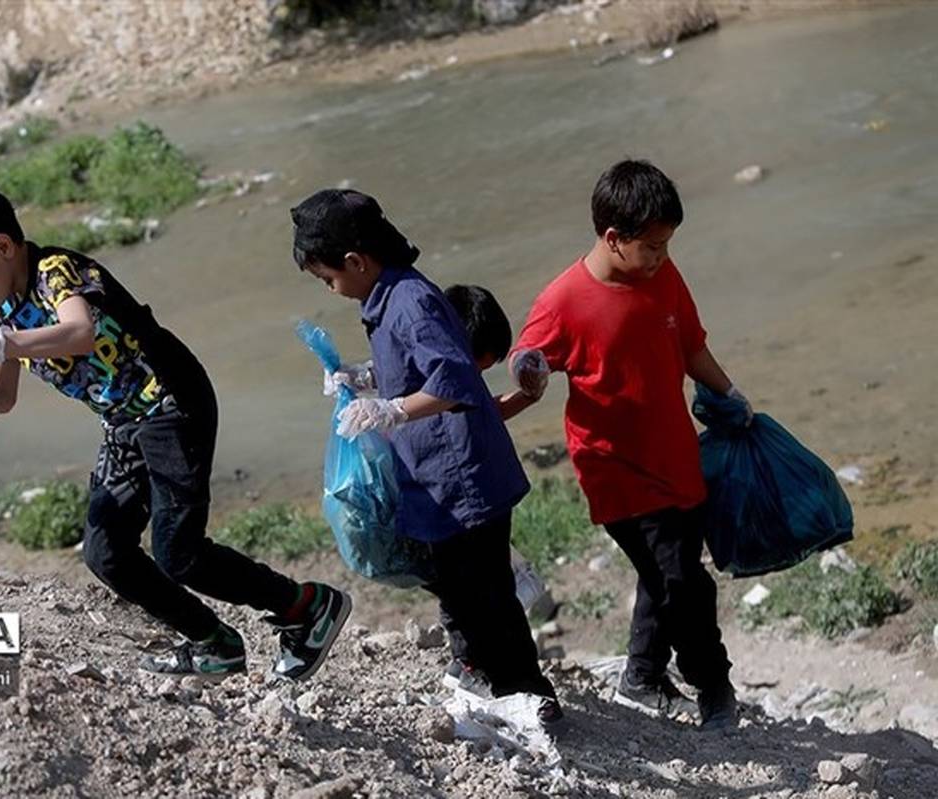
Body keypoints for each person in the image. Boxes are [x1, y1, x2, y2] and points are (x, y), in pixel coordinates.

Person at [0, 174, 351, 681]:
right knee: (106, 553)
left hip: (170, 403)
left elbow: (80, 332)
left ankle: (305, 607)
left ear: (4, 246)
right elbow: (2, 397)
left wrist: (1, 344)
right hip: (123, 424)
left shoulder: (56, 271)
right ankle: (215, 642)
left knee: (179, 554)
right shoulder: (0, 310)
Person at [293, 188, 563, 729]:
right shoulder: (386, 299)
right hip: (436, 480)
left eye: (329, 279)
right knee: (464, 591)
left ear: (356, 261)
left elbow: (456, 378)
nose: (333, 288)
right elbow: (414, 365)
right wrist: (363, 377)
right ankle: (495, 682)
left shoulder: (410, 301)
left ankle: (531, 696)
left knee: (486, 595)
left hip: (463, 478)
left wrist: (390, 411)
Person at [509, 160, 746, 729]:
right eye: (653, 246)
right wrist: (528, 374)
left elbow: (690, 346)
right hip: (615, 466)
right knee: (683, 579)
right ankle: (713, 684)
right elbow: (527, 358)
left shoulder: (663, 277)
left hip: (676, 453)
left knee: (668, 569)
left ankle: (640, 675)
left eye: (667, 244)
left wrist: (732, 393)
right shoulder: (564, 300)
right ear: (613, 239)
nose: (662, 256)